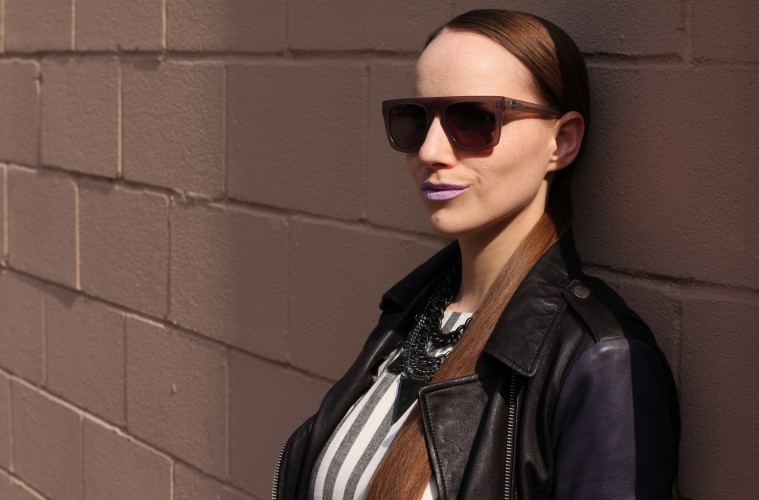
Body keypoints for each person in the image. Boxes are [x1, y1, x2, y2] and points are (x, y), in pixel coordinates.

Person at [273, 9, 679, 500]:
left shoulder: (602, 363)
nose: (430, 151)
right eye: (415, 119)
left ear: (562, 141)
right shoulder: (410, 315)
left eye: (474, 119)